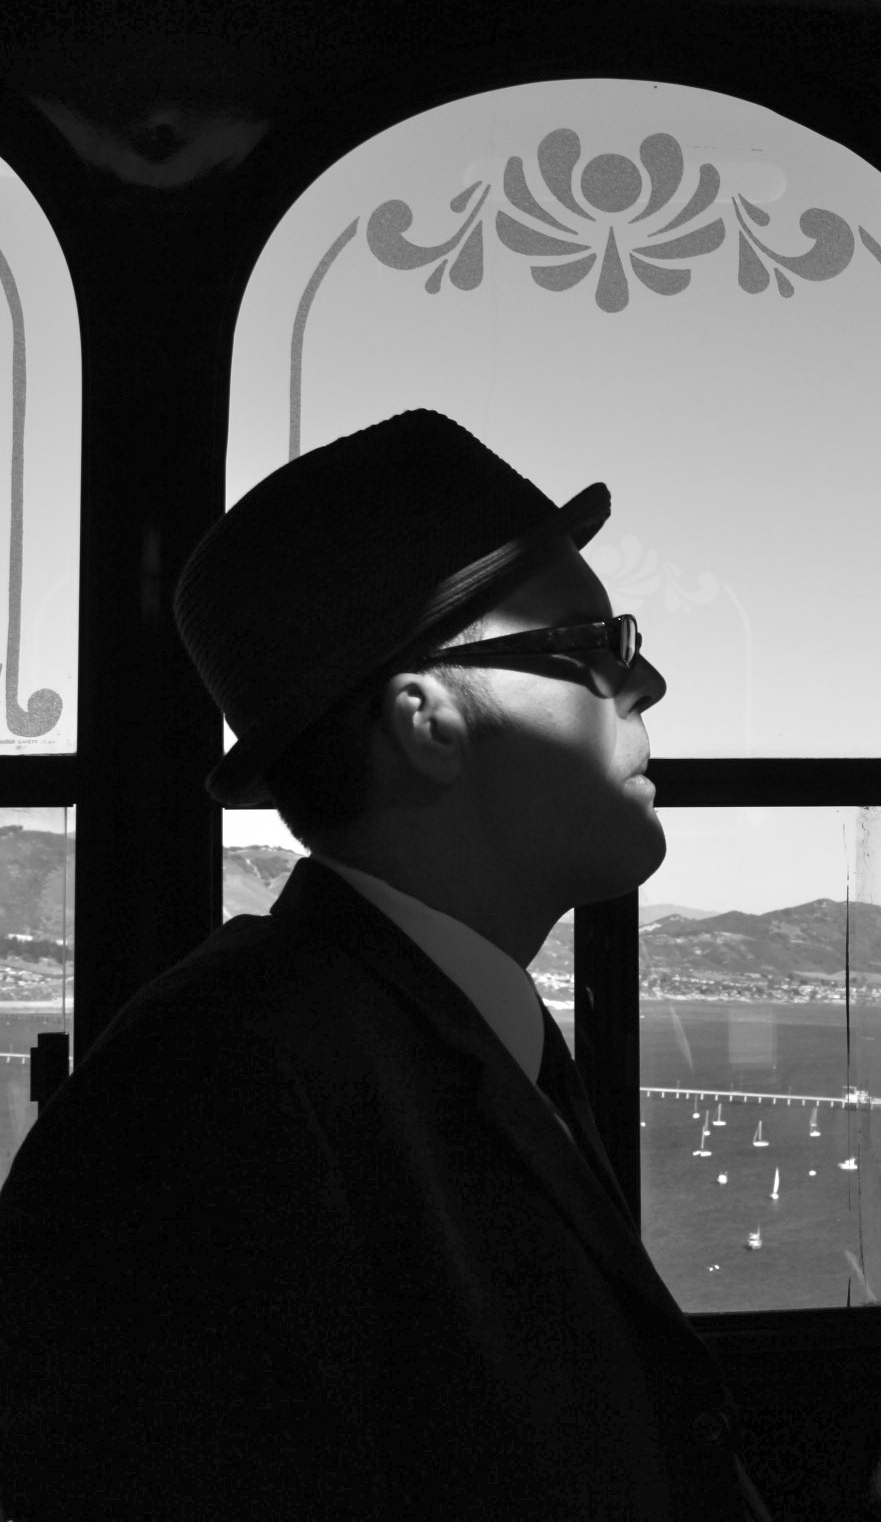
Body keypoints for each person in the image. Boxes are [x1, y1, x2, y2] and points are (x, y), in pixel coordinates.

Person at [0, 410, 770, 1520]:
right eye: (598, 646)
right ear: (429, 718)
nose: (648, 684)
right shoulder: (214, 1098)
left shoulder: (425, 1033)